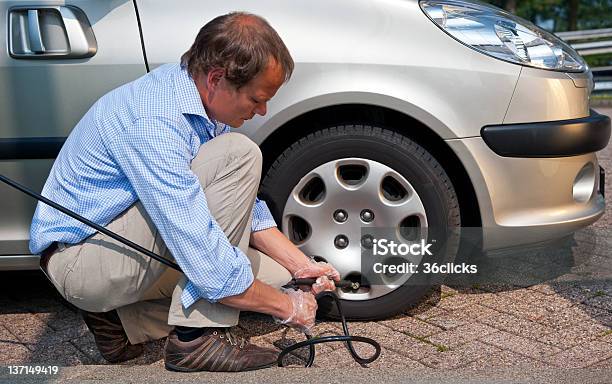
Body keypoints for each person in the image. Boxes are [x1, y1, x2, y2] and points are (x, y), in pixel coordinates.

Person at [29, 12, 340, 372]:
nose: (262, 110)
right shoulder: (155, 121)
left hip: (121, 251)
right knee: (239, 157)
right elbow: (195, 240)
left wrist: (301, 267)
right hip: (82, 262)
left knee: (273, 276)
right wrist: (287, 308)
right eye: (257, 99)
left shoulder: (199, 100)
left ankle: (124, 325)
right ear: (217, 79)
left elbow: (242, 209)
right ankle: (197, 340)